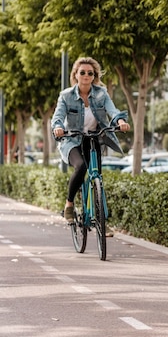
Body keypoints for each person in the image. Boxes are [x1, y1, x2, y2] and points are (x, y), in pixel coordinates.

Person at [51, 57, 131, 222]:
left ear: (94, 76)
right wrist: (58, 127)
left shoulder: (102, 93)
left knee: (97, 178)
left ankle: (102, 222)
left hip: (93, 139)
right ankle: (69, 204)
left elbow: (113, 110)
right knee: (81, 167)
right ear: (76, 75)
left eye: (90, 73)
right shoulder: (66, 96)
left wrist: (120, 121)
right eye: (82, 72)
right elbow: (57, 116)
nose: (86, 75)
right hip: (72, 140)